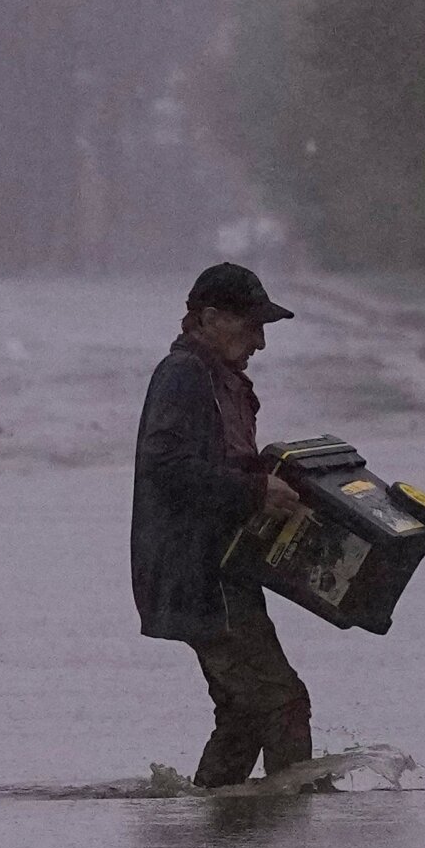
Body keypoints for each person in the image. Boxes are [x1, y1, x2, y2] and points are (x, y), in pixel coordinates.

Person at [131, 263, 313, 789]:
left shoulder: (219, 379)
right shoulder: (184, 375)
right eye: (250, 326)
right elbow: (165, 466)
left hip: (222, 570)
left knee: (242, 715)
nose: (259, 342)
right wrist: (255, 491)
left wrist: (270, 479)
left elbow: (219, 462)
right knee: (282, 702)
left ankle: (216, 826)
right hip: (203, 575)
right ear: (208, 318)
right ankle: (290, 840)